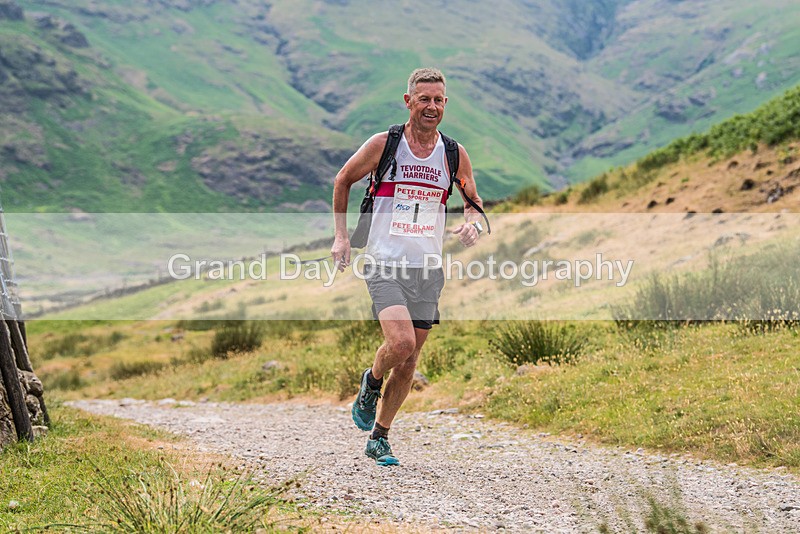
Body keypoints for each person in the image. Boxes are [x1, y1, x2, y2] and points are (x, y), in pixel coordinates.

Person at [331, 67, 484, 466]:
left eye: (438, 100)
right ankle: (372, 380)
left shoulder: (454, 153)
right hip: (384, 262)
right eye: (424, 99)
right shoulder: (385, 145)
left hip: (427, 268)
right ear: (408, 101)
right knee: (400, 345)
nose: (431, 106)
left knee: (412, 360)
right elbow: (343, 179)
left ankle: (380, 436)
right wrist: (341, 237)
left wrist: (471, 223)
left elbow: (472, 200)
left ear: (445, 104)